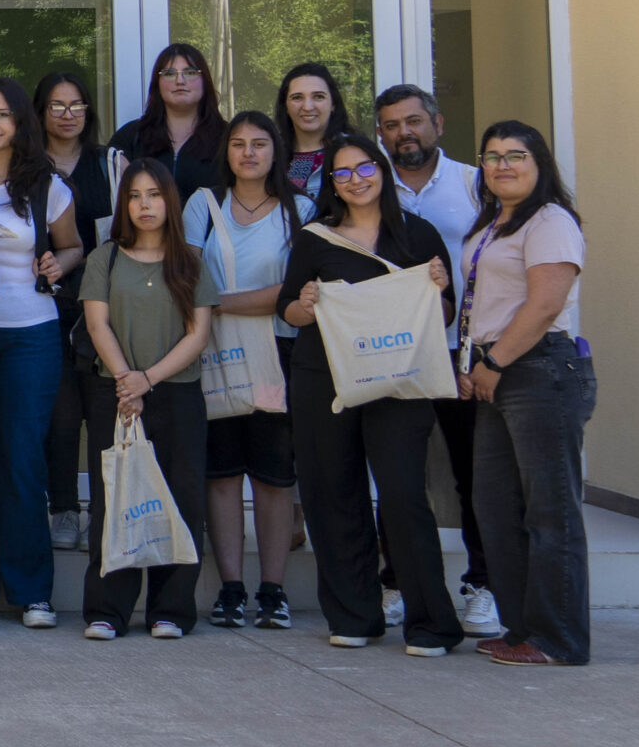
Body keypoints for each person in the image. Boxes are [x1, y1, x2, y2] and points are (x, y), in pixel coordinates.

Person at [279, 132, 463, 655]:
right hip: (323, 380)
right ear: (332, 184)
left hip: (401, 381)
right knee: (333, 496)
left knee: (404, 497)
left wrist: (436, 290)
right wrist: (305, 304)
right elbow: (288, 310)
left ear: (381, 170)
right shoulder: (315, 238)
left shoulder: (419, 234)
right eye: (342, 173)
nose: (355, 180)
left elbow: (444, 316)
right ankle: (354, 617)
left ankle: (431, 625)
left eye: (364, 168)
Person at [0, 78, 83, 630]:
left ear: (20, 121)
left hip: (30, 334)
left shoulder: (48, 185)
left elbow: (73, 246)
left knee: (23, 460)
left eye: (2, 114)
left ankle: (32, 593)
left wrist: (58, 264)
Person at [461, 121, 595, 667]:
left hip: (538, 370)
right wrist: (475, 363)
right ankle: (523, 630)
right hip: (496, 369)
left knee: (550, 511)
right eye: (492, 156)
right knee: (496, 508)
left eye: (515, 155)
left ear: (539, 163)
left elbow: (544, 305)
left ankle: (558, 640)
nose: (502, 165)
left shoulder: (550, 221)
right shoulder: (494, 222)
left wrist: (493, 362)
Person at [376, 83, 499, 638]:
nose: (403, 133)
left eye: (413, 121)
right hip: (394, 354)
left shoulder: (475, 185)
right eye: (391, 125)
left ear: (438, 124)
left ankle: (483, 585)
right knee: (397, 476)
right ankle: (397, 582)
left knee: (474, 474)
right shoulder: (372, 189)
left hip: (461, 353)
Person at [184, 111, 311, 633]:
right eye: (238, 144)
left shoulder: (300, 209)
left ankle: (273, 591)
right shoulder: (203, 205)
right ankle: (231, 589)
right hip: (211, 352)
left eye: (260, 143)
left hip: (277, 354)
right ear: (227, 152)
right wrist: (247, 302)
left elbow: (296, 292)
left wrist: (221, 303)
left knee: (274, 477)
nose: (249, 153)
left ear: (276, 151)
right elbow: (187, 278)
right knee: (221, 475)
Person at [78, 158, 215, 640]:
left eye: (154, 195)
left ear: (169, 201)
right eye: (134, 196)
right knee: (114, 500)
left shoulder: (190, 262)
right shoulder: (106, 258)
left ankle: (171, 610)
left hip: (176, 394)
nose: (144, 205)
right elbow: (97, 323)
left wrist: (147, 380)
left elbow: (198, 335)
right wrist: (126, 381)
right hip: (116, 393)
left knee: (181, 501)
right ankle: (107, 610)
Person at [35, 70, 114, 553]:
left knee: (103, 413)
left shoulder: (111, 164)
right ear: (40, 111)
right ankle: (63, 507)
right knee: (61, 415)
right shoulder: (25, 165)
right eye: (57, 105)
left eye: (77, 105)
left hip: (104, 304)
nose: (68, 115)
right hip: (46, 304)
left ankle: (104, 514)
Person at [109, 43, 226, 200]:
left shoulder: (227, 138)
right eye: (169, 73)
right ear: (157, 83)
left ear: (205, 81)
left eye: (190, 72)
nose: (180, 81)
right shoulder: (131, 137)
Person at [278, 64, 356, 201]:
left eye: (318, 97)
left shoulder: (355, 152)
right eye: (297, 97)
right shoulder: (271, 155)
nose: (308, 107)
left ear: (333, 104)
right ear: (285, 106)